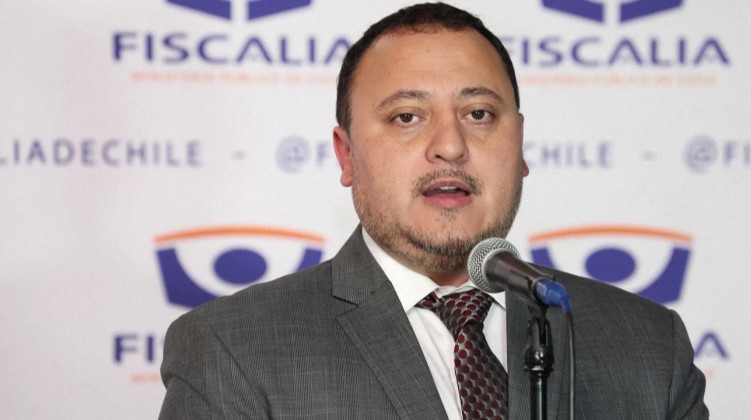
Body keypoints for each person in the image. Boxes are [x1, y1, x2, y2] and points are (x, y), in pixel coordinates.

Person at [158, 3, 708, 419]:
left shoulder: (648, 346)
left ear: (519, 145)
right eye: (407, 117)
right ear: (347, 155)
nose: (450, 146)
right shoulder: (234, 350)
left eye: (479, 113)